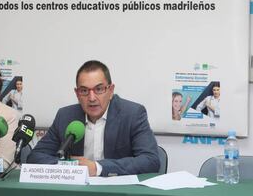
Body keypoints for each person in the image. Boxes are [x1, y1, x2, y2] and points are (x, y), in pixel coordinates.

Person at [27, 60, 160, 176]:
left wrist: (97, 168)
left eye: (99, 89)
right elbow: (35, 157)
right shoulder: (65, 116)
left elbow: (150, 160)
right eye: (84, 91)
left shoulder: (132, 114)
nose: (91, 98)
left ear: (111, 90)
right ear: (77, 93)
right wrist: (71, 166)